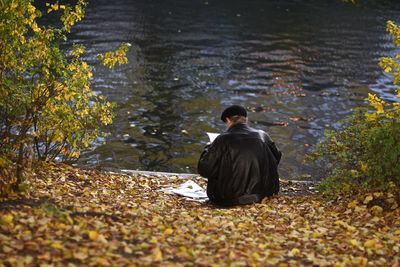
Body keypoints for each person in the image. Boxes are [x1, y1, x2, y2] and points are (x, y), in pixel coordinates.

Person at [197, 105, 282, 206]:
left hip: (231, 198)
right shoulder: (262, 135)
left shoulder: (222, 139)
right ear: (245, 119)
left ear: (228, 120)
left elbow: (205, 169)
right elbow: (277, 157)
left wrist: (209, 147)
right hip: (265, 195)